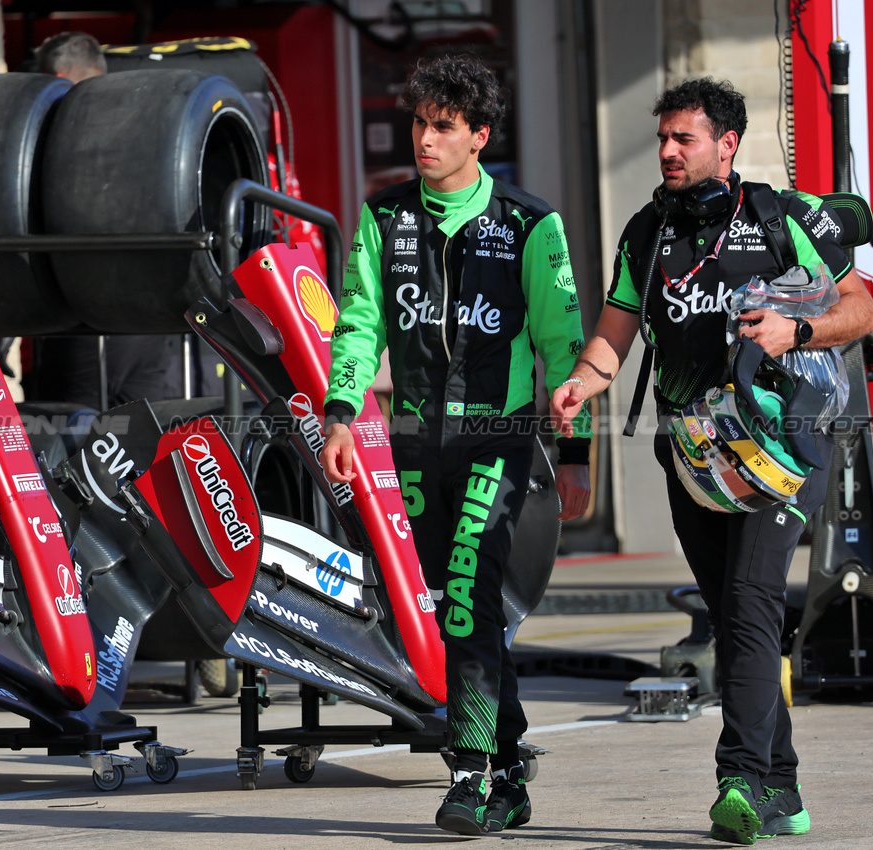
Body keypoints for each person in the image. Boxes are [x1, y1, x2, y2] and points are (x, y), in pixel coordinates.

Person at [550, 78, 873, 846]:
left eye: (683, 138)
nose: (666, 151)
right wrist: (578, 384)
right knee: (735, 621)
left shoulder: (780, 217)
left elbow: (861, 311)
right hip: (692, 453)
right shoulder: (645, 231)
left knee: (751, 606)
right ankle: (783, 788)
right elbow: (613, 337)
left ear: (725, 144)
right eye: (663, 137)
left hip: (782, 447)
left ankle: (738, 780)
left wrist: (793, 334)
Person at [318, 54, 591, 836]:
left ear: (479, 136)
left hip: (496, 438)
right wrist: (342, 415)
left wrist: (571, 461)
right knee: (451, 607)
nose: (424, 139)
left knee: (469, 595)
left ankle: (468, 771)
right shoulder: (385, 217)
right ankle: (507, 767)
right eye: (419, 123)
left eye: (442, 127)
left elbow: (562, 349)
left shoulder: (528, 223)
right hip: (412, 439)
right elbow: (360, 321)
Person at [30, 32, 174, 410]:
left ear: (58, 76)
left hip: (91, 314)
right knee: (147, 432)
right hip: (153, 316)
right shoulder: (144, 118)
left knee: (68, 433)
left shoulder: (66, 131)